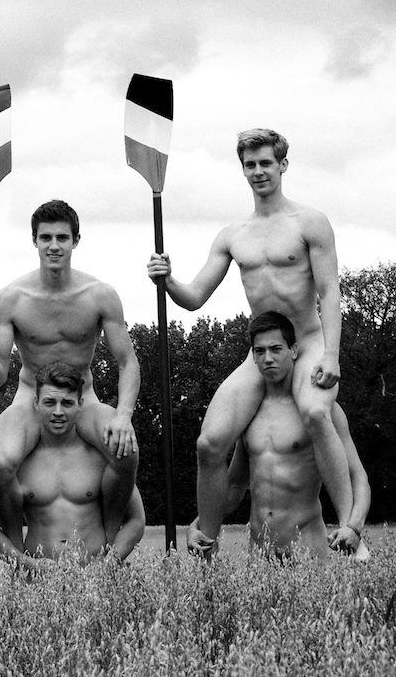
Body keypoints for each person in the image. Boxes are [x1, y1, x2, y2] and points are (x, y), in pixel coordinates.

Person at [145, 129, 360, 557]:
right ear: (242, 169)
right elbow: (195, 297)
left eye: (266, 163)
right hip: (261, 350)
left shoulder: (310, 222)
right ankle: (207, 542)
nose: (258, 171)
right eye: (250, 164)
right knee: (209, 443)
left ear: (283, 165)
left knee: (316, 412)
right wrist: (167, 280)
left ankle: (351, 531)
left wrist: (332, 355)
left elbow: (330, 292)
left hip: (308, 343)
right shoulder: (233, 234)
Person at [0, 200, 143, 531]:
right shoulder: (10, 298)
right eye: (45, 237)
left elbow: (127, 361)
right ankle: (17, 549)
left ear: (76, 241)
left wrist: (123, 416)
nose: (53, 246)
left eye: (62, 237)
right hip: (30, 398)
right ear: (34, 240)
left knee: (126, 451)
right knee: (0, 460)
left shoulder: (100, 295)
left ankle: (108, 537)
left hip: (83, 397)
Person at [199, 312, 370, 561]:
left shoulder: (320, 411)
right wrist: (200, 523)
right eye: (260, 351)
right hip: (260, 556)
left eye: (276, 349)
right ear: (253, 356)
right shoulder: (248, 415)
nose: (268, 358)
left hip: (307, 552)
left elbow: (358, 477)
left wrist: (354, 527)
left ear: (294, 351)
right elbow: (235, 486)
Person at [0, 362, 146, 568]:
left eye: (67, 403)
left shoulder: (100, 459)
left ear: (80, 404)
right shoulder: (18, 464)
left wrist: (108, 563)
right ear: (36, 403)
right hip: (36, 578)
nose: (58, 411)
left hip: (96, 576)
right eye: (49, 402)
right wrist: (26, 564)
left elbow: (136, 520)